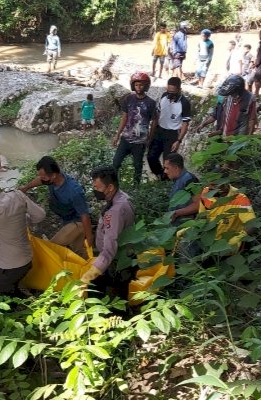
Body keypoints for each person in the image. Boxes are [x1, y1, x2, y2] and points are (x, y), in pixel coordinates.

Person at [18, 156, 94, 258]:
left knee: (52, 246)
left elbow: (85, 216)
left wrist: (89, 237)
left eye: (43, 176)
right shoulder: (52, 179)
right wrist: (25, 188)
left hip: (78, 222)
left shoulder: (74, 191)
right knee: (78, 247)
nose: (41, 178)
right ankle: (85, 262)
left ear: (53, 175)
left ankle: (93, 266)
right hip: (67, 219)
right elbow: (39, 180)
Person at [80, 167, 135, 299]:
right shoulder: (122, 197)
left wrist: (92, 273)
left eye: (97, 187)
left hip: (115, 262)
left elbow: (110, 247)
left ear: (110, 187)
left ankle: (115, 316)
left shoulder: (115, 211)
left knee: (114, 298)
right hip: (122, 257)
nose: (95, 191)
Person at [112, 72, 157, 184]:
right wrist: (117, 135)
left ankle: (136, 189)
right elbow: (124, 117)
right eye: (136, 85)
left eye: (141, 85)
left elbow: (155, 121)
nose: (138, 87)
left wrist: (150, 139)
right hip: (126, 138)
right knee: (115, 163)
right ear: (133, 85)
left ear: (146, 86)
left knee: (137, 167)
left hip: (139, 142)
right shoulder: (129, 99)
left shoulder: (151, 103)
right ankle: (113, 185)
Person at [147, 77, 191, 180]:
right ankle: (160, 175)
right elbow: (156, 117)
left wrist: (178, 141)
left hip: (172, 134)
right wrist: (151, 135)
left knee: (168, 162)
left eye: (173, 92)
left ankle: (166, 182)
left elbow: (185, 124)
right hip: (159, 131)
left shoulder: (184, 103)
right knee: (151, 157)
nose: (170, 95)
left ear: (179, 90)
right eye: (168, 91)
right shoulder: (164, 96)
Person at [197, 182, 256, 254]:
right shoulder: (206, 192)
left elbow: (252, 225)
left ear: (226, 183)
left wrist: (236, 239)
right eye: (209, 184)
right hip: (208, 244)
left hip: (229, 248)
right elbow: (202, 218)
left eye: (215, 184)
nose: (211, 187)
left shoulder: (239, 198)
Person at [164, 153, 199, 226]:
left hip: (187, 226)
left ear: (176, 168)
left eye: (167, 168)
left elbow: (198, 204)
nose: (165, 171)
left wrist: (176, 213)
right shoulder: (177, 180)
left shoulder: (189, 179)